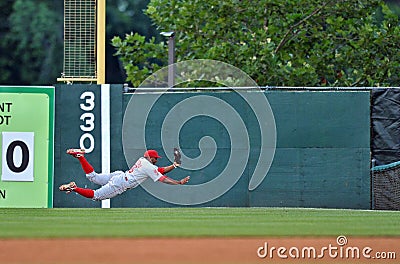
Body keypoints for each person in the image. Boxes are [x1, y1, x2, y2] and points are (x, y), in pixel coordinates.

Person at [59, 148, 190, 201]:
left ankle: (80, 157)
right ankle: (73, 188)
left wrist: (173, 165)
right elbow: (162, 178)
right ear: (151, 158)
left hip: (120, 176)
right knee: (96, 196)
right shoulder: (148, 166)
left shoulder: (142, 161)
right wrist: (178, 182)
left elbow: (159, 170)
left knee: (93, 177)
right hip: (121, 183)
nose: (156, 160)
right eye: (155, 158)